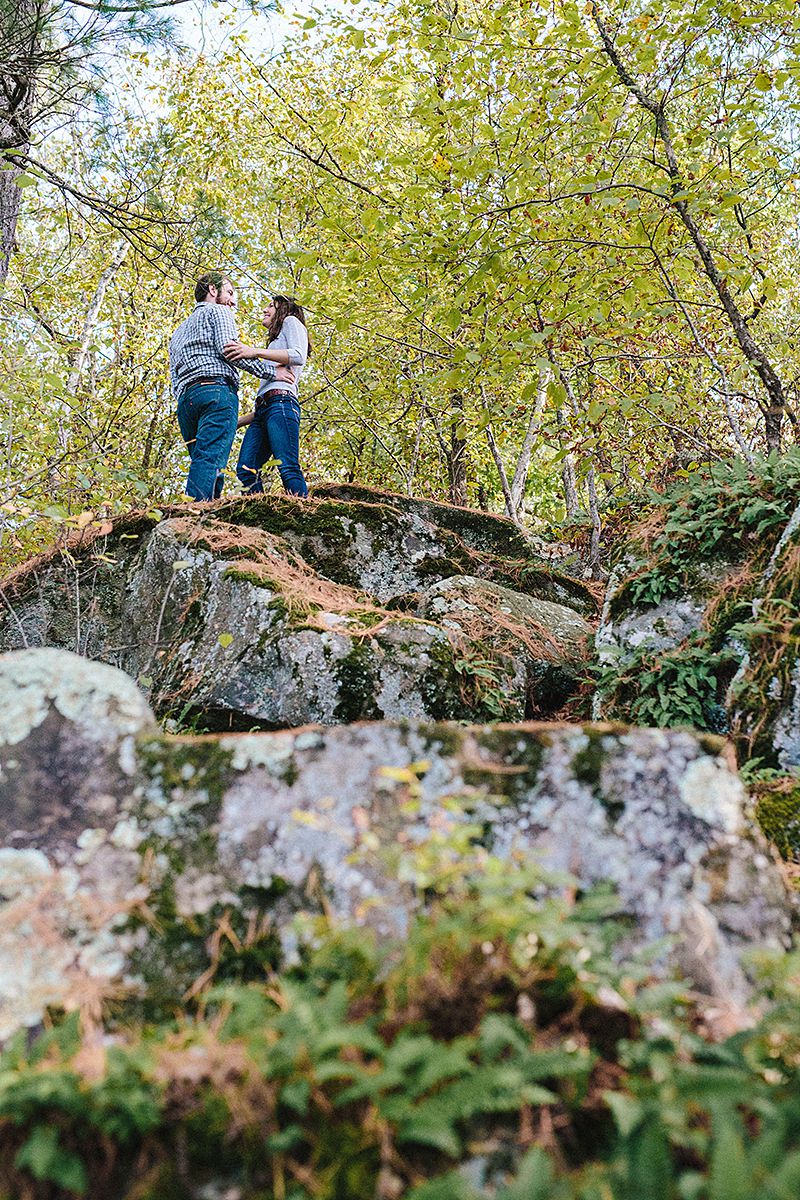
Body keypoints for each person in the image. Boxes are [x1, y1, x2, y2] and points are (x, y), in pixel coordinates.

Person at [168, 272, 295, 501]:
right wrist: (271, 371)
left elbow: (174, 375)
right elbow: (231, 351)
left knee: (204, 462)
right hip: (216, 392)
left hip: (186, 402)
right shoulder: (219, 311)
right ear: (212, 290)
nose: (233, 301)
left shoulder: (178, 331)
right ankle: (196, 518)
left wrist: (181, 398)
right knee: (210, 460)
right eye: (229, 292)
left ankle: (206, 517)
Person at [223, 295, 310, 498]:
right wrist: (238, 421)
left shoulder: (291, 321)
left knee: (287, 466)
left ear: (284, 310)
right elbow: (267, 400)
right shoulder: (274, 344)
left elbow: (299, 355)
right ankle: (258, 522)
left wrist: (253, 352)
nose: (265, 310)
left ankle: (303, 519)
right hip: (266, 409)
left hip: (282, 403)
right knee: (246, 470)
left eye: (271, 306)